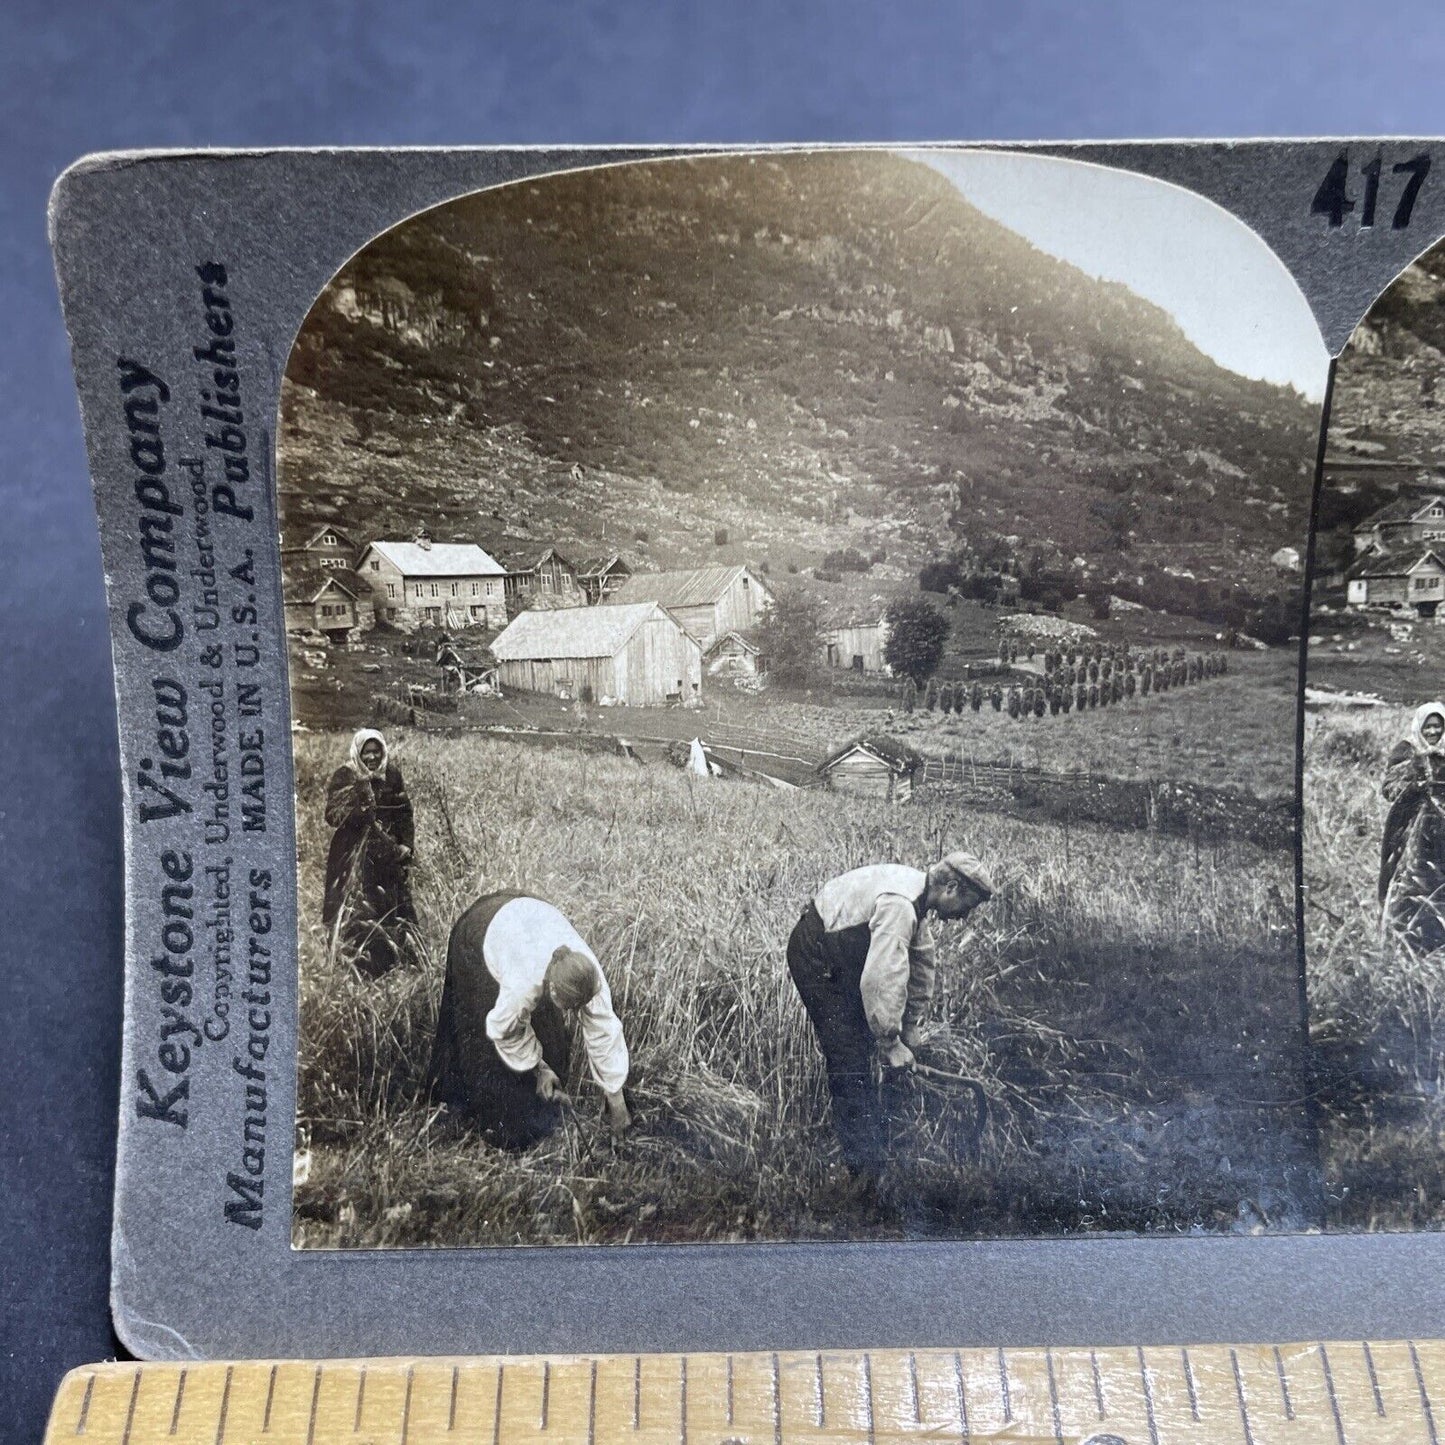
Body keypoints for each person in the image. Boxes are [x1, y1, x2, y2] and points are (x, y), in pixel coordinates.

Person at [786, 853, 994, 1173]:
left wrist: (909, 1025)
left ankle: (877, 1141)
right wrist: (890, 1042)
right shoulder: (900, 905)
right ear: (951, 887)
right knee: (849, 1057)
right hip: (817, 954)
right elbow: (882, 976)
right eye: (969, 906)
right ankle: (862, 1171)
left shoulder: (918, 897)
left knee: (864, 1045)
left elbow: (922, 962)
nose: (965, 917)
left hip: (844, 949)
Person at [426, 892, 632, 1148]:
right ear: (552, 990)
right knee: (484, 1049)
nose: (572, 1013)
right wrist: (539, 1068)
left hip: (528, 913)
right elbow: (503, 1029)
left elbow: (603, 1030)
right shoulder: (522, 985)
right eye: (568, 1007)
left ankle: (539, 1108)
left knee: (552, 1043)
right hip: (483, 930)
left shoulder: (587, 972)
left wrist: (616, 1099)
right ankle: (464, 1117)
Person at [321, 728, 416, 976]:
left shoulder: (392, 775)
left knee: (392, 907)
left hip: (386, 854)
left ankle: (396, 963)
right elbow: (332, 815)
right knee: (355, 908)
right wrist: (361, 810)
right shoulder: (345, 775)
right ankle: (356, 965)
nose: (373, 758)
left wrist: (406, 843)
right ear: (358, 753)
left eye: (377, 752)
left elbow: (404, 812)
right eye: (367, 752)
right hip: (352, 855)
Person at [1380, 701, 1445, 953]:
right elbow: (1389, 788)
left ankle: (1436, 939)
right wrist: (1415, 786)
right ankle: (1405, 940)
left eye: (1438, 727)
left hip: (1440, 829)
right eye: (1427, 727)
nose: (1432, 733)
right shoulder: (1406, 749)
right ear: (1419, 726)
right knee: (1407, 879)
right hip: (1410, 826)